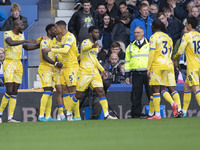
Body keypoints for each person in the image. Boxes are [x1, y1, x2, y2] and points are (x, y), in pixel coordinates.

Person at [64, 26, 117, 120]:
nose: (97, 34)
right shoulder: (86, 42)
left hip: (94, 73)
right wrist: (91, 46)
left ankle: (106, 115)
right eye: (95, 32)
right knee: (78, 95)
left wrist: (102, 70)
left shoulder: (96, 46)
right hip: (84, 72)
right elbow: (84, 49)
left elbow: (94, 59)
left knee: (101, 92)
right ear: (90, 33)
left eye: (98, 33)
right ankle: (68, 113)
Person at [0, 20, 39, 123]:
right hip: (9, 63)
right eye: (21, 24)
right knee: (9, 90)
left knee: (14, 92)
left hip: (18, 64)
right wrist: (26, 41)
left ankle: (10, 118)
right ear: (16, 25)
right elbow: (11, 43)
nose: (23, 26)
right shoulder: (7, 34)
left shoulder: (21, 36)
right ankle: (0, 114)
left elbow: (26, 48)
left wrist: (39, 46)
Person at [43, 20, 80, 121]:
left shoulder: (69, 36)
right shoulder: (61, 39)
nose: (55, 30)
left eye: (56, 27)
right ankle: (69, 115)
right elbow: (58, 50)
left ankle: (77, 115)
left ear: (62, 27)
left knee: (73, 90)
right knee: (65, 90)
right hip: (64, 67)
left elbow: (65, 50)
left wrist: (51, 50)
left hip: (72, 66)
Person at [147, 19, 179, 119]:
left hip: (157, 64)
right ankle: (174, 105)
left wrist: (148, 68)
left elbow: (152, 53)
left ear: (154, 27)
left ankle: (157, 114)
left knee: (156, 89)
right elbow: (171, 51)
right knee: (162, 88)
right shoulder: (168, 37)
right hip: (168, 64)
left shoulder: (153, 37)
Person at [173, 16, 200, 117]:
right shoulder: (199, 35)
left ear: (189, 25)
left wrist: (175, 58)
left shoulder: (187, 36)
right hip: (198, 65)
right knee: (186, 87)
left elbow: (180, 50)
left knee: (196, 88)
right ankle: (184, 112)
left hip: (192, 66)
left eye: (186, 24)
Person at [37, 24, 63, 122]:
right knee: (47, 90)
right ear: (48, 31)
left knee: (50, 92)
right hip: (45, 68)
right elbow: (44, 56)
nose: (56, 31)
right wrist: (55, 63)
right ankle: (41, 115)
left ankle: (47, 116)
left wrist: (58, 62)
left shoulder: (54, 42)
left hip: (52, 69)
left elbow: (54, 55)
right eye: (54, 29)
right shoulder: (44, 41)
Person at [125, 27, 150, 118]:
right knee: (136, 95)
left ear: (143, 32)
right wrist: (127, 75)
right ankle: (136, 114)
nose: (136, 34)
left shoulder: (150, 44)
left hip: (148, 73)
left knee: (151, 93)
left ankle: (154, 112)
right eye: (135, 32)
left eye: (138, 32)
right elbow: (127, 62)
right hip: (136, 73)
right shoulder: (130, 46)